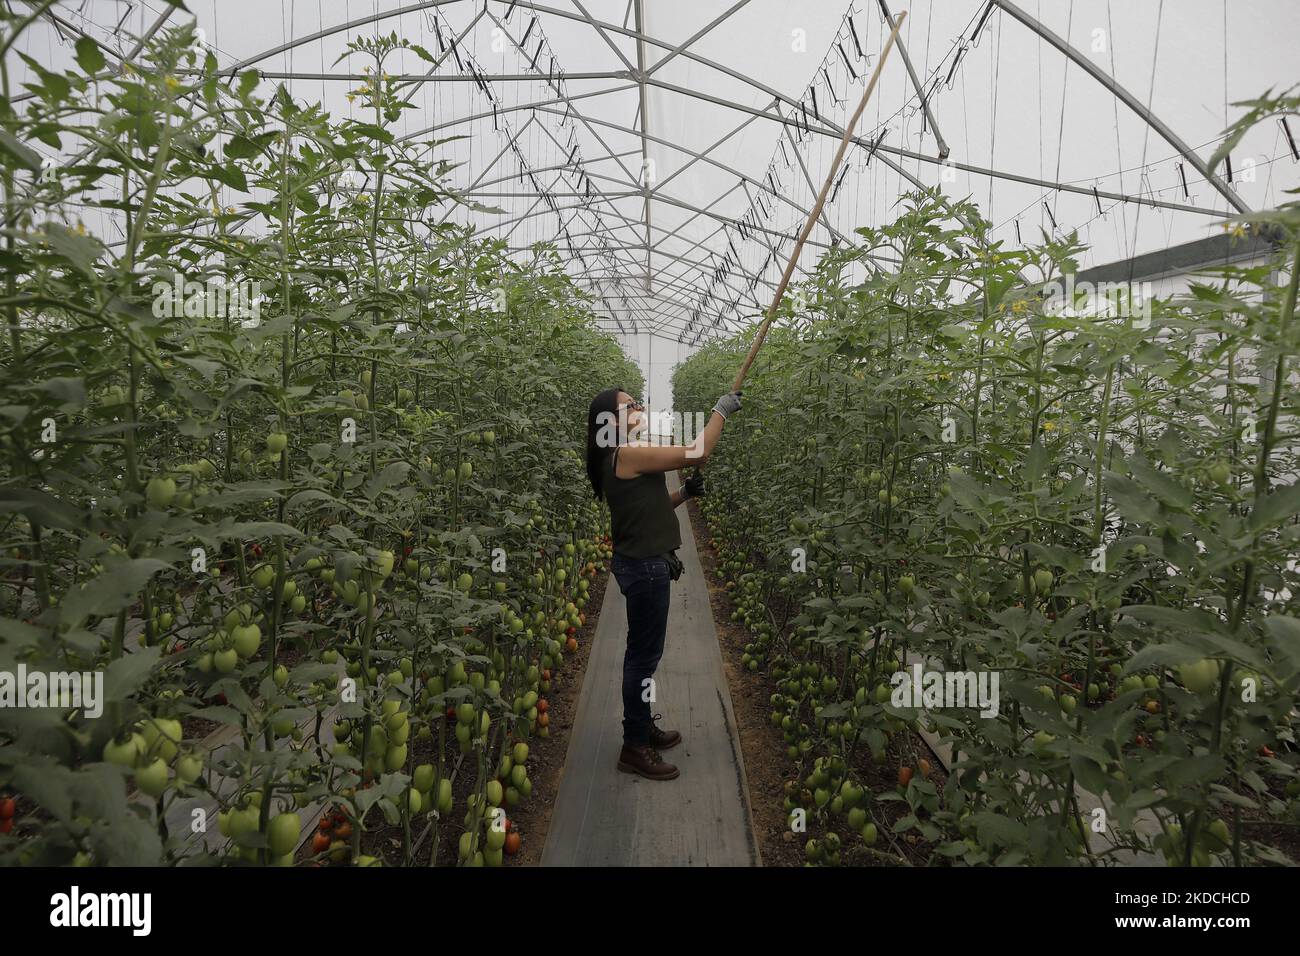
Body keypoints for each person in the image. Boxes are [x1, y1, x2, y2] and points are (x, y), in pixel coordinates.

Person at [584, 387, 742, 780]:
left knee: (643, 655)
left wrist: (684, 493)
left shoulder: (619, 455)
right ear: (609, 420)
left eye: (637, 403)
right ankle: (634, 744)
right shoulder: (629, 453)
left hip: (640, 566)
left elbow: (646, 508)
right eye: (630, 406)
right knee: (642, 658)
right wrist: (720, 411)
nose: (639, 408)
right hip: (645, 569)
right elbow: (696, 453)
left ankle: (641, 729)